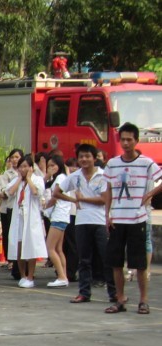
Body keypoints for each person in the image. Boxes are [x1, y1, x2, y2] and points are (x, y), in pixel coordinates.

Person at [104, 124, 162, 314]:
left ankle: (143, 301)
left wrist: (150, 194)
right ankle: (120, 300)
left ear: (136, 141)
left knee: (139, 264)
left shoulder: (146, 163)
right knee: (116, 263)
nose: (126, 143)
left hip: (137, 219)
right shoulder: (112, 164)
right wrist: (107, 214)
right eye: (123, 139)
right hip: (117, 220)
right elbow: (109, 190)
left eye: (130, 139)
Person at [55, 143, 115, 305]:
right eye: (81, 156)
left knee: (106, 258)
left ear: (94, 158)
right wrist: (74, 199)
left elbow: (103, 199)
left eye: (87, 156)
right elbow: (56, 192)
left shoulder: (103, 175)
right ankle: (84, 292)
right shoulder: (75, 176)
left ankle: (114, 293)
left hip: (99, 221)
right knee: (84, 260)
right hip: (82, 222)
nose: (84, 159)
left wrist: (82, 199)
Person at [42, 154, 73, 288]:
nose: (51, 168)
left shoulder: (60, 178)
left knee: (50, 248)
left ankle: (61, 276)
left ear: (59, 166)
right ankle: (63, 275)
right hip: (62, 216)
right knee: (59, 249)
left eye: (53, 165)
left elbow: (55, 197)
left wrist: (45, 207)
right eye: (49, 166)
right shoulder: (61, 178)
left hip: (59, 216)